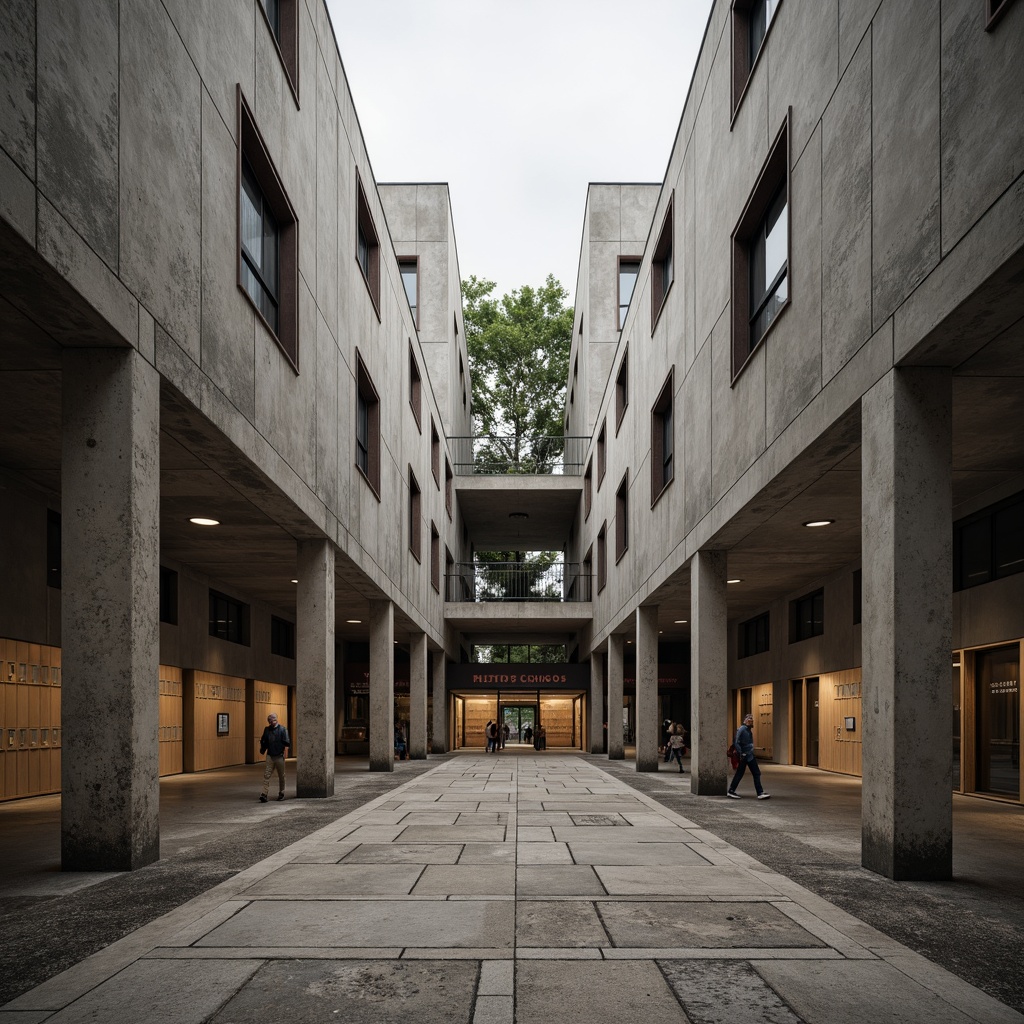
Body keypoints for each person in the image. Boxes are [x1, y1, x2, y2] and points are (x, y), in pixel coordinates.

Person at [727, 713, 769, 799]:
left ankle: (759, 792)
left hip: (749, 755)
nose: (751, 721)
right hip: (745, 755)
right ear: (745, 720)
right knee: (743, 773)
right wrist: (741, 753)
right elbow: (736, 742)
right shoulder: (742, 729)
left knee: (754, 773)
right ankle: (732, 791)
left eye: (752, 720)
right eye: (749, 720)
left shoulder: (748, 729)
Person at [259, 712, 290, 802]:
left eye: (272, 719)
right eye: (270, 720)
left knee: (281, 775)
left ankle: (281, 792)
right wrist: (263, 749)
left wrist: (285, 752)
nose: (271, 721)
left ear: (276, 719)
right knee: (267, 775)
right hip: (270, 755)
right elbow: (263, 740)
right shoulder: (267, 730)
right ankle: (264, 794)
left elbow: (287, 742)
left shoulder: (283, 729)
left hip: (279, 755)